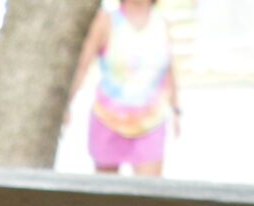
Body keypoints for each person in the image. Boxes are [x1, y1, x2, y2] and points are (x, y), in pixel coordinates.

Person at [69, 0, 179, 178]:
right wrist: (67, 104)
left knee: (149, 195)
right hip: (108, 119)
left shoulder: (161, 22)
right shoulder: (107, 20)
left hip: (150, 121)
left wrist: (176, 109)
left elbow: (168, 68)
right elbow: (83, 64)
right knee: (107, 194)